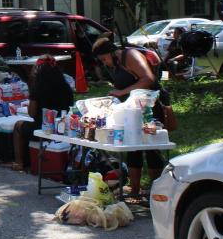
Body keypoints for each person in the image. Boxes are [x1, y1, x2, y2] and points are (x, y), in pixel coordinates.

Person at [92, 37, 175, 199]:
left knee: (151, 148)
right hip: (131, 110)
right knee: (132, 148)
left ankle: (155, 191)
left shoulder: (130, 55)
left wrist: (122, 92)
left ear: (111, 52)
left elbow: (148, 78)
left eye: (104, 59)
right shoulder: (115, 64)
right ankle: (135, 190)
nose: (105, 63)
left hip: (151, 107)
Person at [11, 56, 74, 171]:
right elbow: (70, 105)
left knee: (18, 126)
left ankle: (19, 162)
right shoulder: (65, 87)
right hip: (62, 127)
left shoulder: (37, 89)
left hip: (44, 129)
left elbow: (31, 114)